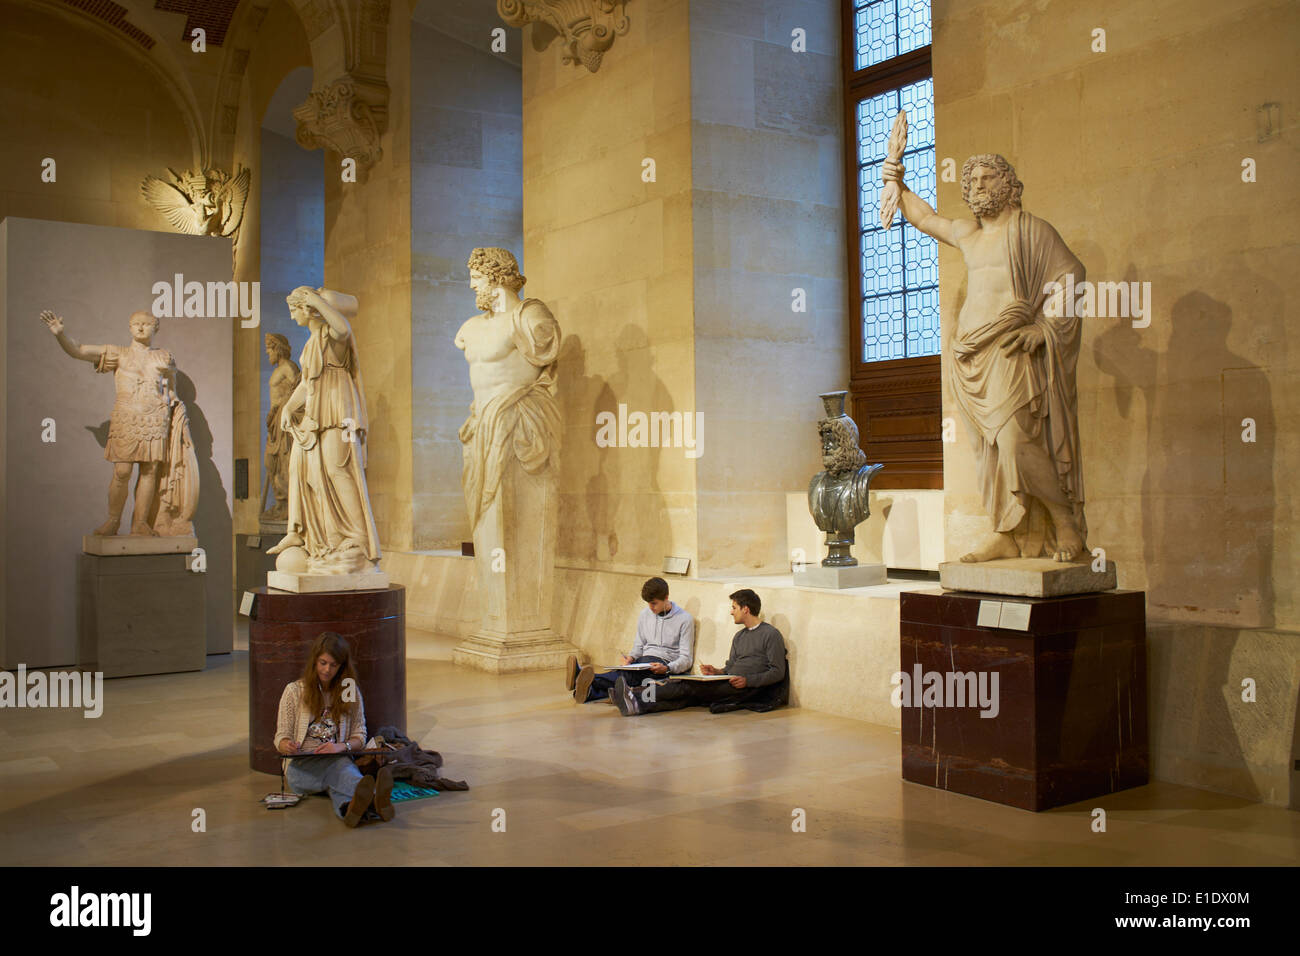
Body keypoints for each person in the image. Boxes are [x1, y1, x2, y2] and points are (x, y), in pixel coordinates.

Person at [881, 152, 1088, 562]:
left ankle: (1064, 521)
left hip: (1010, 352)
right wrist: (898, 186)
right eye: (971, 179)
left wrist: (1042, 327)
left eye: (987, 177)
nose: (977, 185)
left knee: (1015, 442)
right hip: (970, 357)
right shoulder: (968, 234)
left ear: (1008, 184)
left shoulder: (1032, 231)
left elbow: (1071, 278)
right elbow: (926, 219)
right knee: (989, 454)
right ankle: (1007, 532)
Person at [40, 309, 198, 537]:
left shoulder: (163, 357)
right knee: (122, 471)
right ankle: (113, 521)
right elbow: (79, 350)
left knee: (150, 471)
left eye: (146, 323)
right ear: (130, 328)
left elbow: (169, 390)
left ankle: (140, 523)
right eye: (136, 324)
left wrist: (174, 405)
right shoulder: (118, 354)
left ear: (156, 327)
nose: (141, 327)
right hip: (127, 417)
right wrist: (60, 335)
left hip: (155, 420)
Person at [267, 286, 382, 574]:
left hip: (341, 415)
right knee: (310, 473)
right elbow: (307, 383)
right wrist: (288, 408)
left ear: (308, 308)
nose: (292, 318)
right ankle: (321, 535)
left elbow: (343, 328)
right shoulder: (309, 344)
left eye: (295, 310)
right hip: (317, 415)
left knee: (337, 468)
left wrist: (316, 300)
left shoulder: (333, 335)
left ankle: (357, 537)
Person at [274, 632, 393, 827]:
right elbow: (281, 736)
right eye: (323, 663)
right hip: (301, 767)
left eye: (333, 665)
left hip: (337, 758)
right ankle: (372, 798)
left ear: (342, 666)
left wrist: (341, 746)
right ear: (314, 661)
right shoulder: (295, 691)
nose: (327, 670)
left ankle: (350, 810)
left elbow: (359, 734)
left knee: (338, 773)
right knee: (340, 771)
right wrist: (286, 745)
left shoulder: (347, 691)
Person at [612, 589, 786, 717]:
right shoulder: (739, 636)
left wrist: (748, 681)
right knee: (686, 697)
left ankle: (634, 695)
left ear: (745, 609)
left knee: (685, 686)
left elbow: (777, 672)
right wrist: (716, 672)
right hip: (730, 681)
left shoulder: (771, 634)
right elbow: (730, 667)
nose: (731, 611)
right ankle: (638, 705)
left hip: (747, 689)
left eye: (734, 607)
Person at [565, 577, 694, 703]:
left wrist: (667, 668)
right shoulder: (644, 615)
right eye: (648, 603)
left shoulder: (684, 619)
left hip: (663, 666)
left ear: (666, 597)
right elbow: (639, 646)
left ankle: (582, 677)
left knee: (628, 677)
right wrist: (630, 658)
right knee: (624, 673)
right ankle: (590, 693)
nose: (650, 607)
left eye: (654, 603)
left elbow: (686, 659)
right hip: (644, 662)